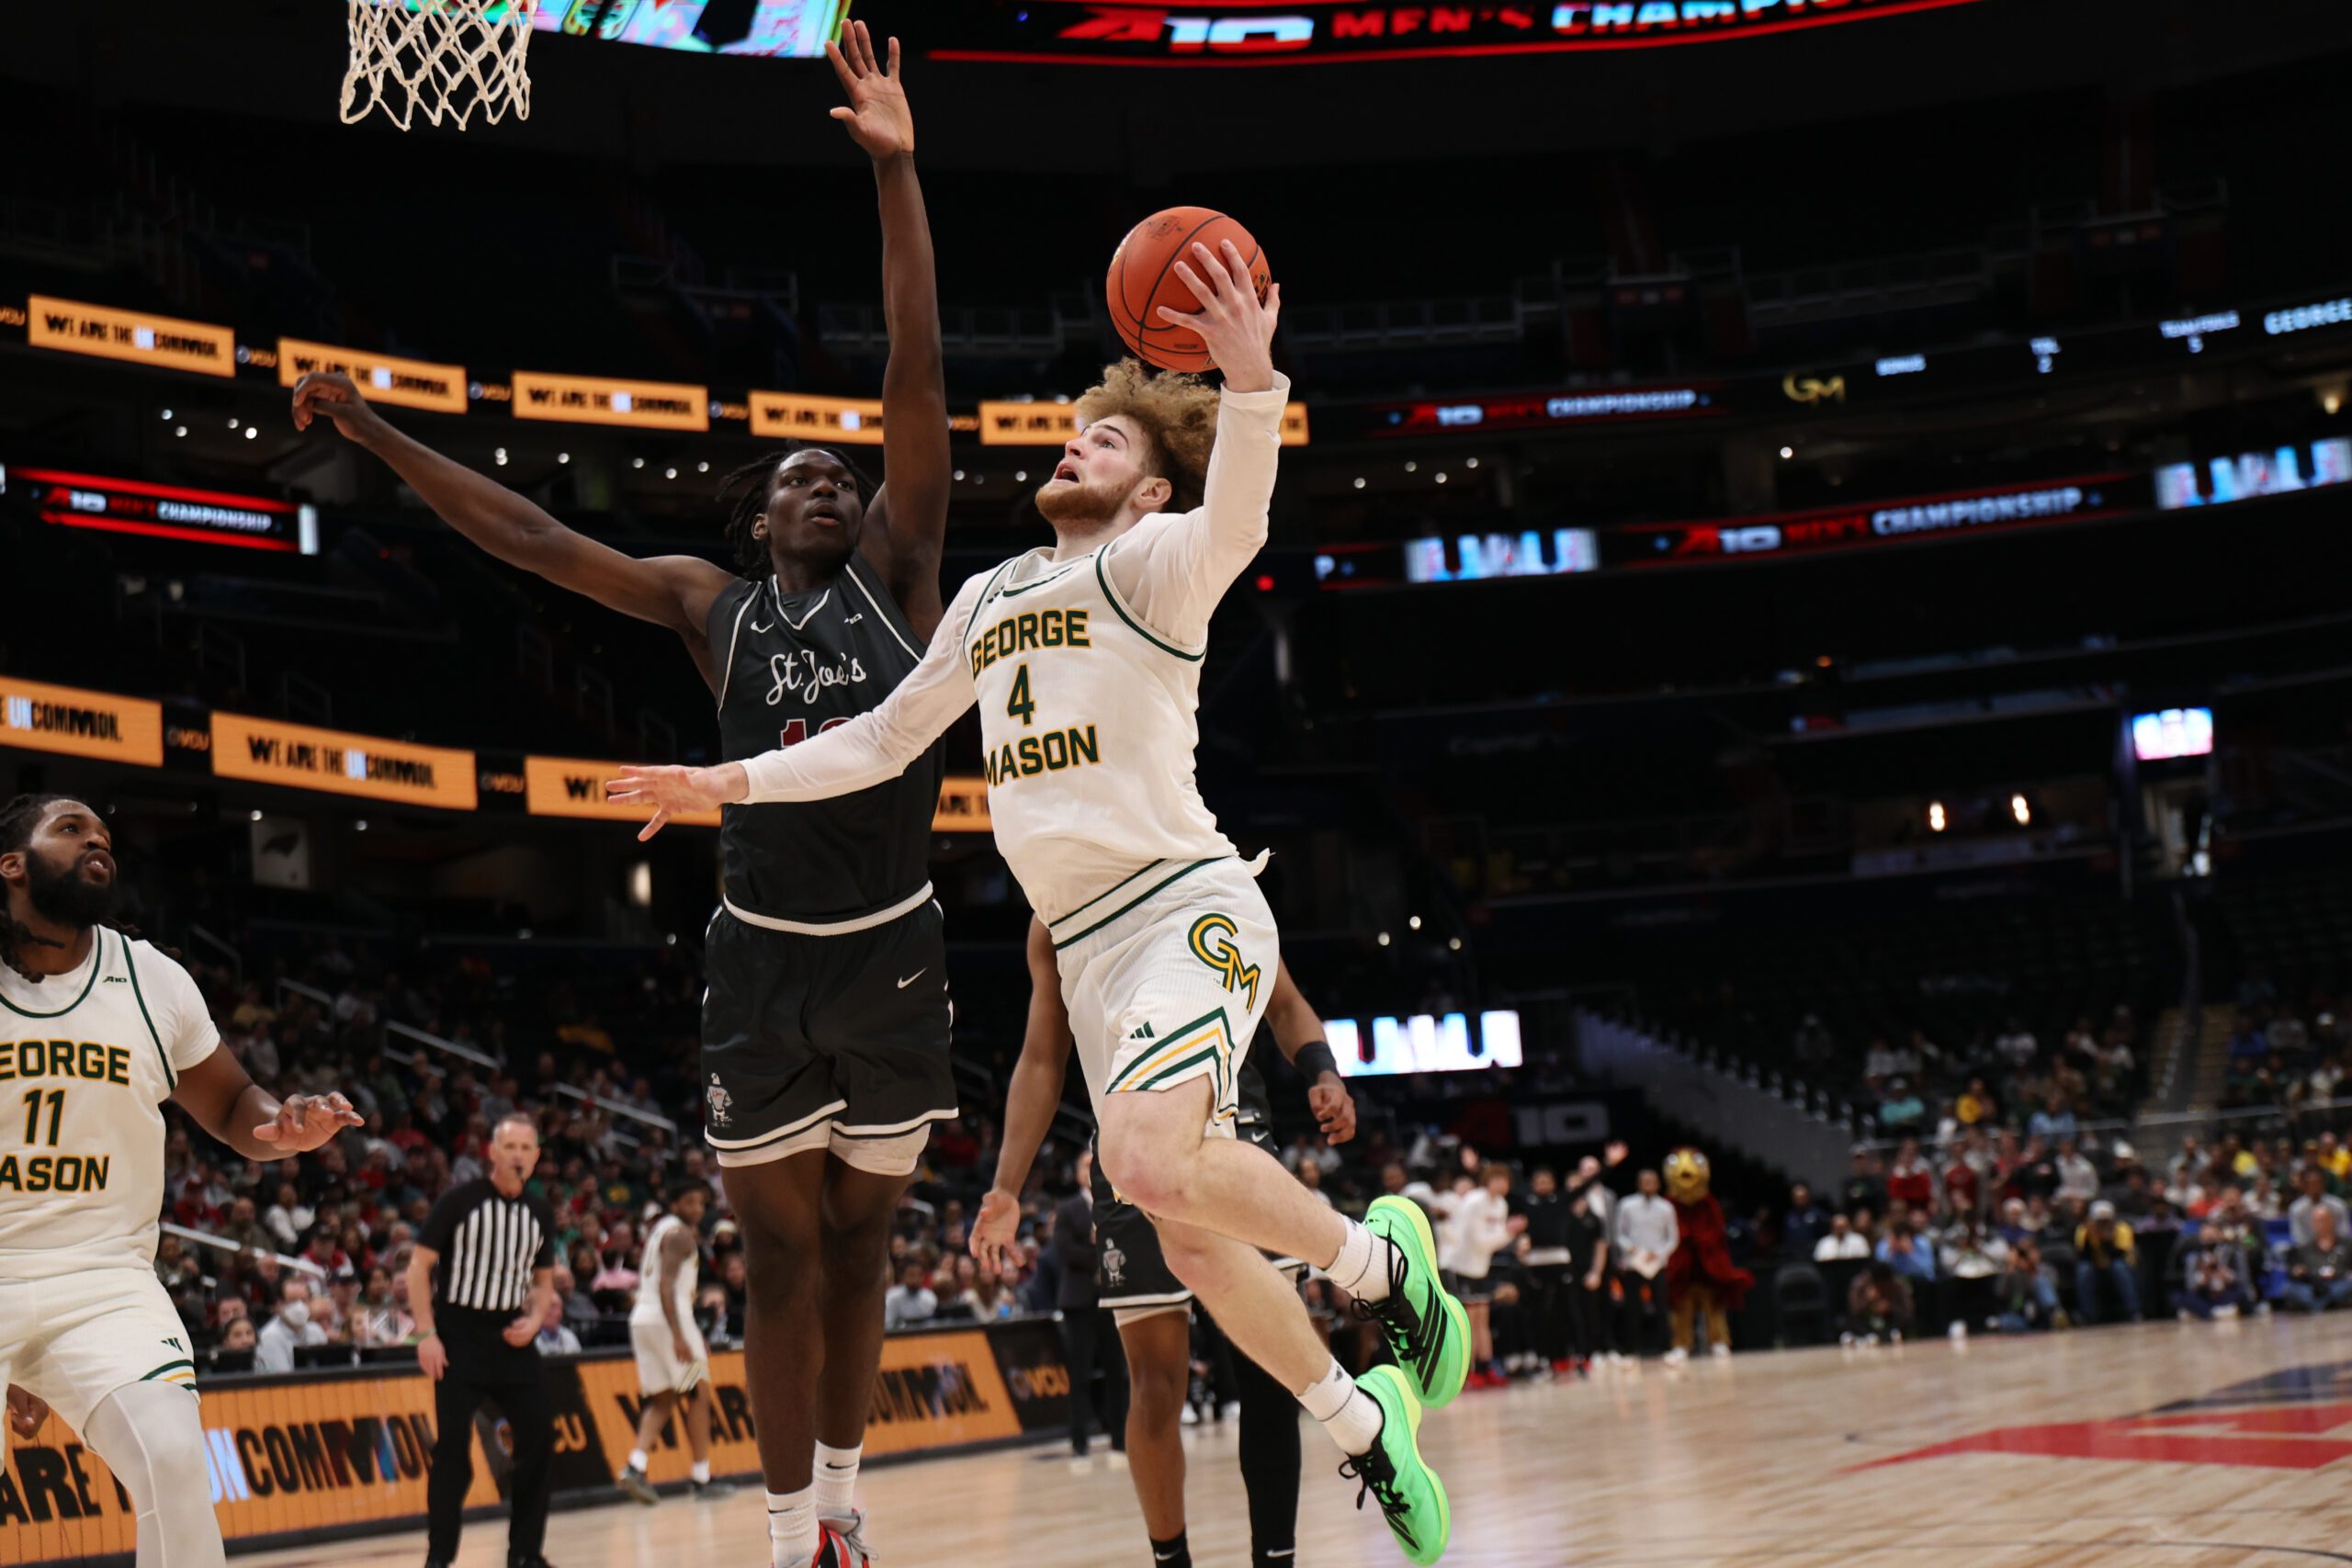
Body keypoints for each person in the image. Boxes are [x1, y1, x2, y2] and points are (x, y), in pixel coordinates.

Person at [615, 239, 1464, 1563]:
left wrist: (1252, 385)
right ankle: (1361, 1418)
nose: (1078, 447)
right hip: (1087, 949)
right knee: (1183, 1229)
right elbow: (880, 740)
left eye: (1110, 440)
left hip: (1189, 908)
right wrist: (720, 777)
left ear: (1153, 487)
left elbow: (1241, 515)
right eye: (1077, 434)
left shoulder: (1158, 567)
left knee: (1139, 1161)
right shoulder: (988, 593)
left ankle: (1386, 1268)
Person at [294, 26, 942, 1568]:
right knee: (779, 1262)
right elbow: (523, 537)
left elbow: (916, 365)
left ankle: (847, 1503)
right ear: (753, 514)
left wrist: (898, 174)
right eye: (795, 476)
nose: (827, 481)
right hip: (762, 949)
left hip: (894, 945)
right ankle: (798, 1539)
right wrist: (377, 432)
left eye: (836, 470)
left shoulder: (907, 569)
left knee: (864, 1249)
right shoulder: (707, 603)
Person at [0, 794, 363, 1568]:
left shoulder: (149, 977)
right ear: (12, 865)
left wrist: (283, 1123)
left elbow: (233, 1102)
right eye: (70, 829)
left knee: (173, 1455)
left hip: (103, 1279)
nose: (98, 839)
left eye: (103, 833)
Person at [976, 918, 1355, 1568]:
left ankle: (1278, 1559)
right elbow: (1042, 1056)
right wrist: (1006, 1186)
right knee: (1153, 1382)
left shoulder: (1218, 874)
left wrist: (1323, 1070)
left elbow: (1284, 1002)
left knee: (1272, 1373)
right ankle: (1170, 1561)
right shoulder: (1054, 913)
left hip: (1238, 1133)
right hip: (1131, 1155)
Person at [410, 1115, 560, 1568]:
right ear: (492, 1153)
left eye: (526, 1147)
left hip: (512, 1338)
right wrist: (426, 1333)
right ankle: (439, 1559)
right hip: (459, 1336)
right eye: (509, 1146)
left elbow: (544, 1281)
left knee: (538, 1439)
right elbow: (418, 1269)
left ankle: (525, 1555)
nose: (518, 1155)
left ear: (536, 1156)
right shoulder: (459, 1202)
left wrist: (534, 1320)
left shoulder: (540, 1212)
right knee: (453, 1453)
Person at [617, 1182, 736, 1505]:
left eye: (700, 1202)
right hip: (668, 1318)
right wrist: (681, 1336)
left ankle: (635, 1465)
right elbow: (667, 1286)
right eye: (689, 1202)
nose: (697, 1208)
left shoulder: (660, 1230)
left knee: (663, 1399)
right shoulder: (680, 1235)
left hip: (643, 1319)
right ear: (674, 1203)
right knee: (698, 1394)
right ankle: (701, 1477)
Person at [1053, 1147, 1127, 1458]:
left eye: (1094, 1164)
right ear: (1076, 1173)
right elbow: (1065, 1251)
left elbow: (1125, 1246)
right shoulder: (1068, 1208)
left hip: (1113, 1296)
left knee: (1118, 1372)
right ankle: (1079, 1440)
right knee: (1080, 1373)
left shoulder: (1116, 1203)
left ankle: (1121, 1439)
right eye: (1085, 1165)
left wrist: (1102, 1250)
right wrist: (1100, 1253)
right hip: (1079, 1299)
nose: (1090, 1170)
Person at [1611, 1168, 1678, 1360]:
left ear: (1658, 1184)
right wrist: (1632, 1249)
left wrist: (1658, 1253)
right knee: (1633, 1309)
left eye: (1652, 1181)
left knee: (1661, 1307)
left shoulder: (1666, 1207)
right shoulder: (1627, 1205)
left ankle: (1667, 1348)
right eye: (1644, 1181)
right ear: (1638, 1184)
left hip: (1657, 1263)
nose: (1648, 1185)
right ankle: (1631, 1350)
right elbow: (1619, 1233)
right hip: (1634, 1263)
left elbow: (1672, 1238)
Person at [2073, 1200, 2141, 1325]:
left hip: (2118, 1265)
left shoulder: (2122, 1229)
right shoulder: (2083, 1230)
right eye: (2099, 1221)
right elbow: (2083, 1256)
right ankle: (2087, 1315)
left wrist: (2107, 1239)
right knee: (2084, 1270)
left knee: (2119, 1267)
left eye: (2106, 1221)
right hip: (2095, 1267)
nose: (2103, 1224)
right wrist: (2091, 1235)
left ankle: (2133, 1311)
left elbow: (2119, 1254)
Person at [2283, 1203, 2352, 1314]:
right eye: (2318, 1220)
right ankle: (2323, 1305)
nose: (2322, 1224)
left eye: (2324, 1219)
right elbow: (2295, 1270)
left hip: (2338, 1283)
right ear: (2313, 1223)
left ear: (2332, 1220)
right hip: (2313, 1286)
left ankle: (2319, 1306)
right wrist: (2299, 1271)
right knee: (2290, 1289)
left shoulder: (2347, 1245)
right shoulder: (2304, 1249)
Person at [255, 1277, 330, 1372]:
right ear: (279, 1304)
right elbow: (283, 1378)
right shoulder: (270, 1337)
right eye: (292, 1301)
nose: (299, 1307)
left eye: (304, 1300)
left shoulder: (316, 1331)